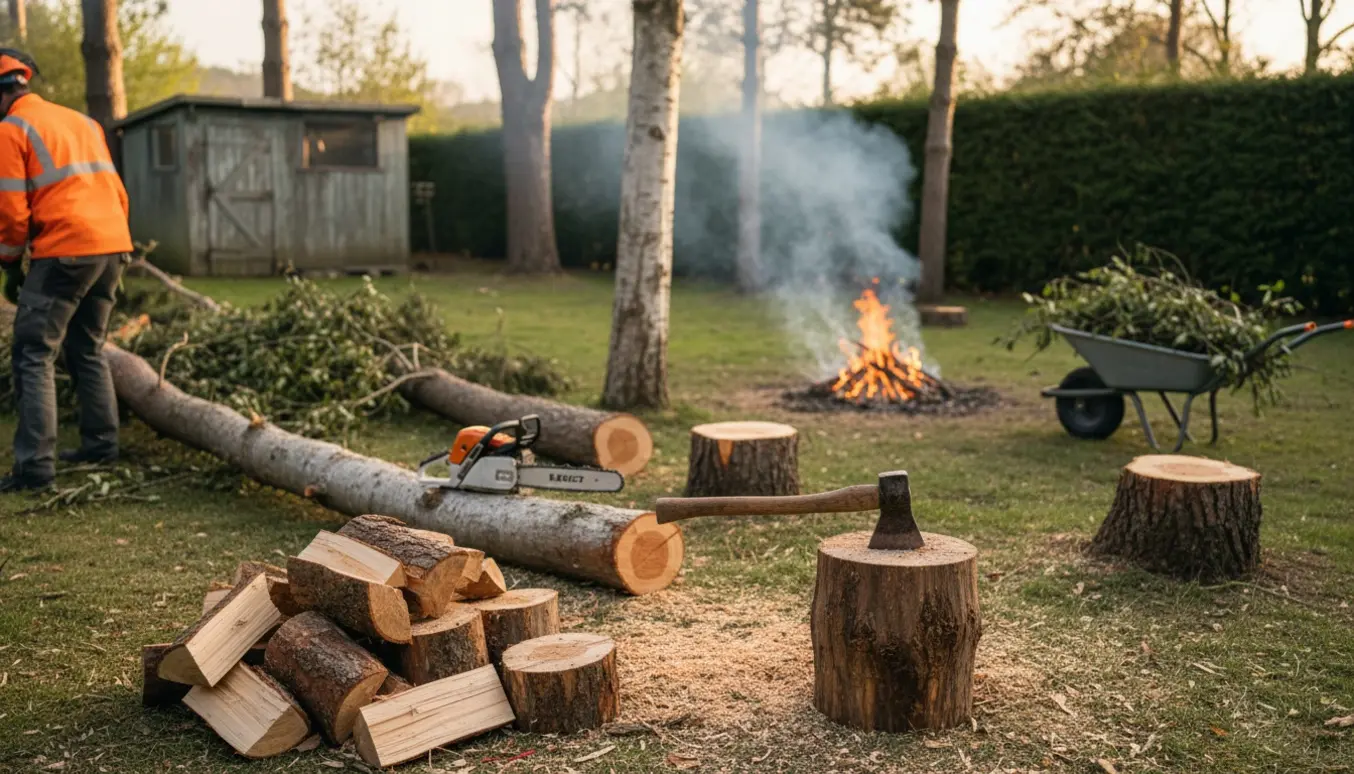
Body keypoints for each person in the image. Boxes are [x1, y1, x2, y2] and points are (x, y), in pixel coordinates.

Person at [0, 49, 132, 492]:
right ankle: (101, 445)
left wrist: (8, 262)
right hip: (111, 244)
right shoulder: (82, 122)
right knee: (87, 346)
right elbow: (115, 187)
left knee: (33, 353)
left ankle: (34, 469)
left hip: (65, 249)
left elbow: (12, 213)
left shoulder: (11, 130)